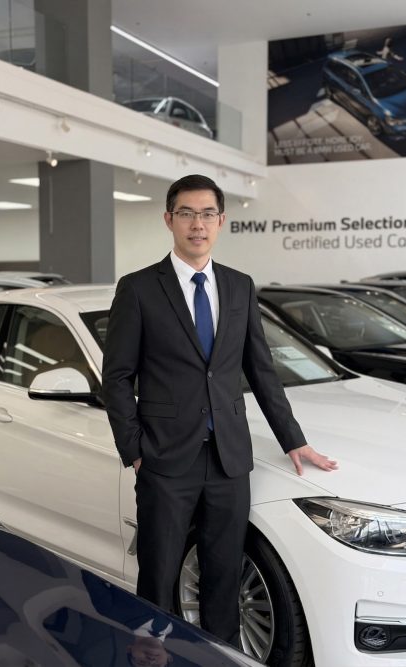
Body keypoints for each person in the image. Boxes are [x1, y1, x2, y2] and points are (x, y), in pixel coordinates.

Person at [102, 174, 338, 647]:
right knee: (159, 574)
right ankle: (153, 655)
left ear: (222, 221)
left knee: (224, 575)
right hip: (165, 459)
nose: (198, 224)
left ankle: (221, 658)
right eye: (187, 214)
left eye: (207, 214)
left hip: (229, 459)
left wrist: (293, 439)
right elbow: (117, 377)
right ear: (169, 219)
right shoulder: (139, 288)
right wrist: (135, 450)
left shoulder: (239, 286)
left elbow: (261, 370)